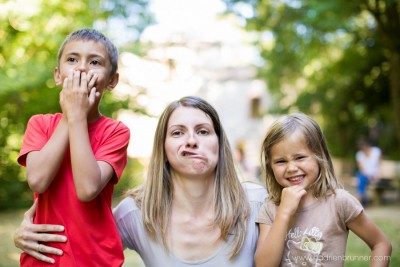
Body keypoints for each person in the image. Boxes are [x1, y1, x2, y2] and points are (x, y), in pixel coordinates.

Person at [14, 96, 268, 267]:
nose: (191, 140)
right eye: (178, 132)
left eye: (203, 131)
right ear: (164, 149)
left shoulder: (256, 203)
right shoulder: (136, 213)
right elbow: (85, 243)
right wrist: (26, 235)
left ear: (219, 144)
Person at [16, 28, 130, 266]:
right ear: (58, 75)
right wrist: (69, 117)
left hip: (96, 260)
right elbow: (37, 180)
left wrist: (76, 115)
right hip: (44, 258)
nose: (81, 68)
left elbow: (87, 189)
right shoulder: (40, 124)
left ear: (112, 81)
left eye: (95, 62)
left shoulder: (115, 132)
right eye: (72, 59)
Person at [254, 113, 392, 267]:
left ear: (320, 157)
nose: (291, 168)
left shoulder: (339, 202)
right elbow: (263, 265)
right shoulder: (270, 209)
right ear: (270, 166)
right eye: (280, 161)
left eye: (300, 157)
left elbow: (381, 244)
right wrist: (284, 213)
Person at [355, 137, 382, 206]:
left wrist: (378, 174)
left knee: (360, 179)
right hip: (366, 175)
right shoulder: (359, 155)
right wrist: (368, 175)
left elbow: (380, 164)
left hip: (375, 175)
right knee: (361, 177)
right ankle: (363, 198)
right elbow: (361, 168)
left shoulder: (376, 151)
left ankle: (363, 198)